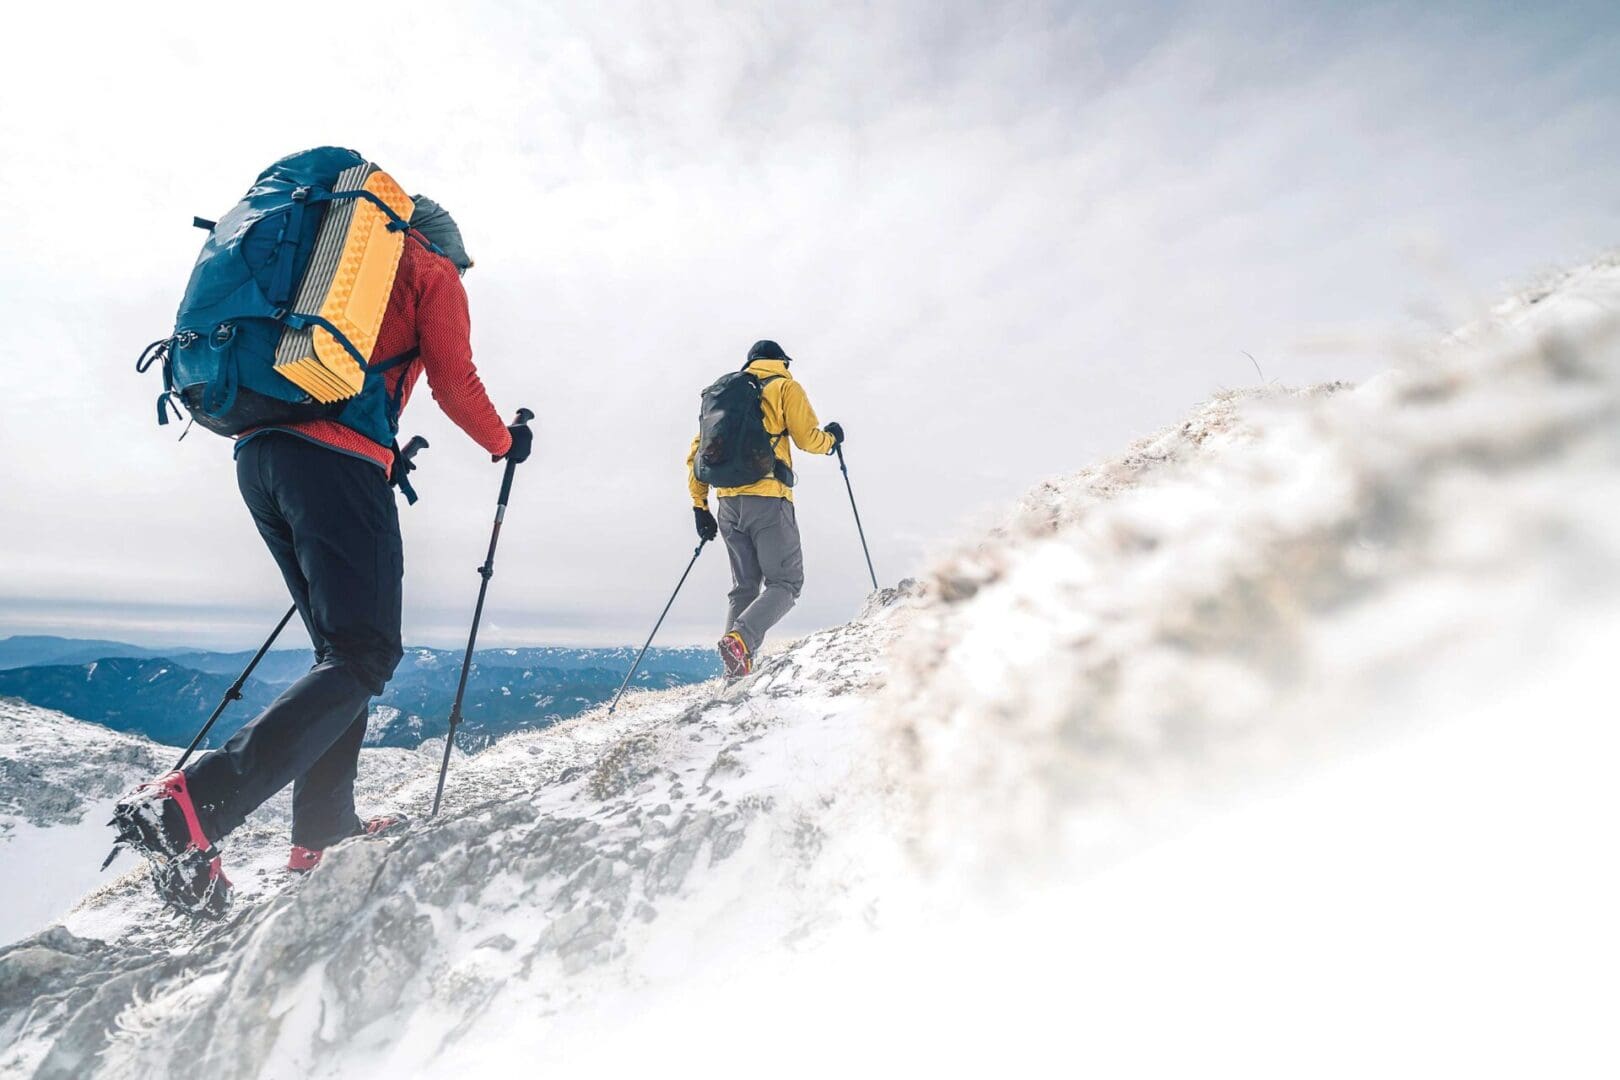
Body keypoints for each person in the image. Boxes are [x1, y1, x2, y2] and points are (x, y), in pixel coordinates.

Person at [113, 197, 531, 914]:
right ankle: (197, 806)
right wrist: (504, 442)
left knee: (342, 652)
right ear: (445, 246)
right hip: (333, 461)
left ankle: (324, 828)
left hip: (261, 455)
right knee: (365, 653)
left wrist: (381, 457)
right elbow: (454, 380)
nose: (459, 274)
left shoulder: (323, 267)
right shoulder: (428, 267)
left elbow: (348, 373)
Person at [687, 340, 843, 678]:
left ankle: (736, 670)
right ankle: (741, 640)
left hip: (726, 504)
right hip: (768, 498)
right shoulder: (785, 386)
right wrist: (831, 440)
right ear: (782, 362)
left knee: (744, 586)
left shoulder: (721, 396)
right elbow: (806, 439)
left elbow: (697, 453)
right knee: (786, 583)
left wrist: (700, 506)